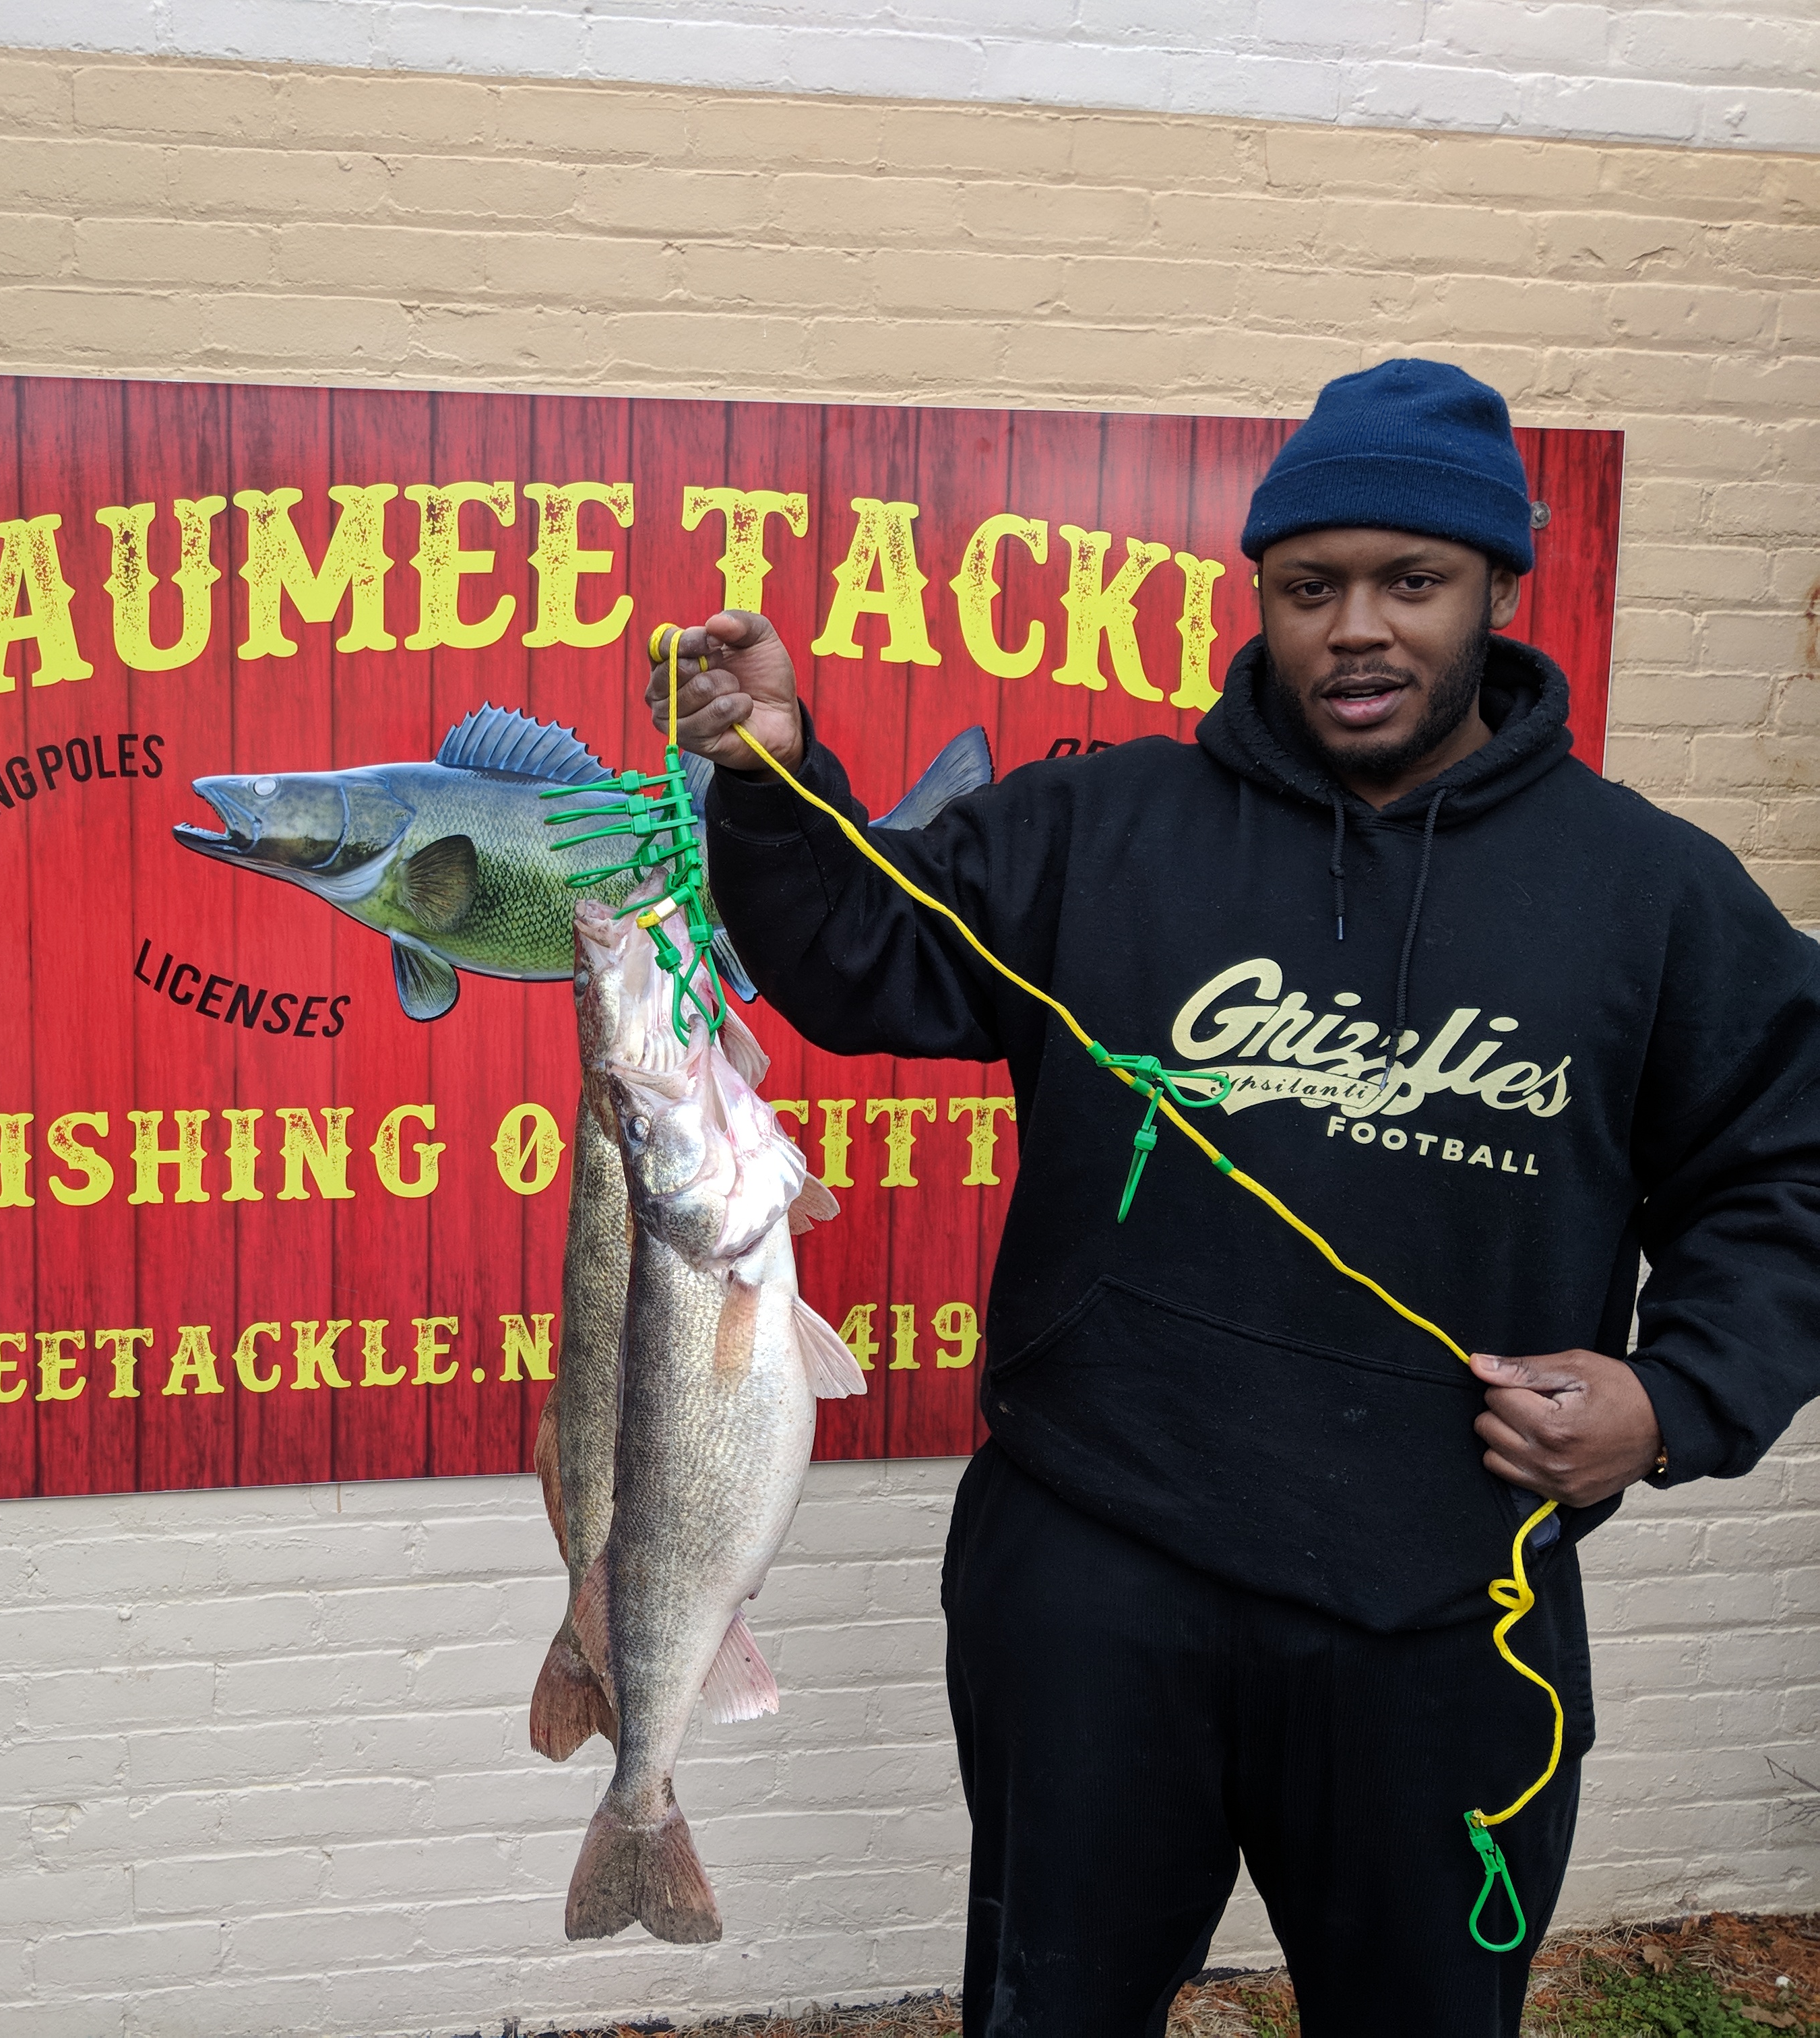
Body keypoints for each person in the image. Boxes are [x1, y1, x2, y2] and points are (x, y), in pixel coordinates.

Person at [645, 358, 1820, 2037]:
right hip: (1096, 1562)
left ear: (1498, 587)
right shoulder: (1102, 825)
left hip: (1450, 1603)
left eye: (1412, 582)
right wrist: (775, 778)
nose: (1359, 629)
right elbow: (861, 953)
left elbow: (1786, 1169)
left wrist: (1675, 1398)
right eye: (1310, 586)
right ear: (1262, 593)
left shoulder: (1651, 893)